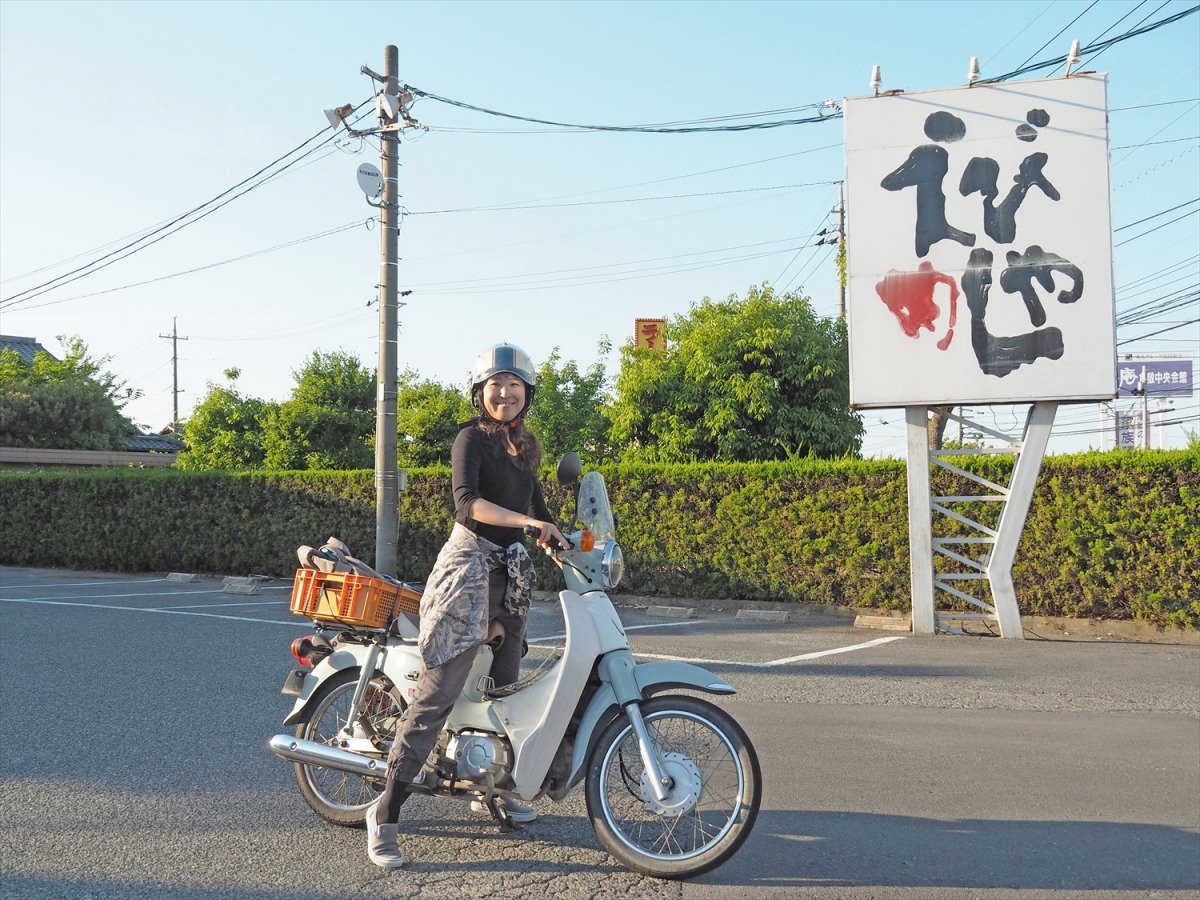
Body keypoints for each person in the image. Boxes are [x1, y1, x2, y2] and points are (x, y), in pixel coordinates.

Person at [367, 342, 569, 869]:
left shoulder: (527, 446)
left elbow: (537, 507)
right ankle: (385, 814)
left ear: (527, 394)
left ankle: (492, 789)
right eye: (495, 385)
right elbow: (468, 504)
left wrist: (564, 539)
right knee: (439, 695)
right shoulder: (469, 438)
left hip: (509, 577)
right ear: (481, 392)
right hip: (467, 572)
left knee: (507, 694)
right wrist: (528, 525)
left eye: (515, 385)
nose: (504, 393)